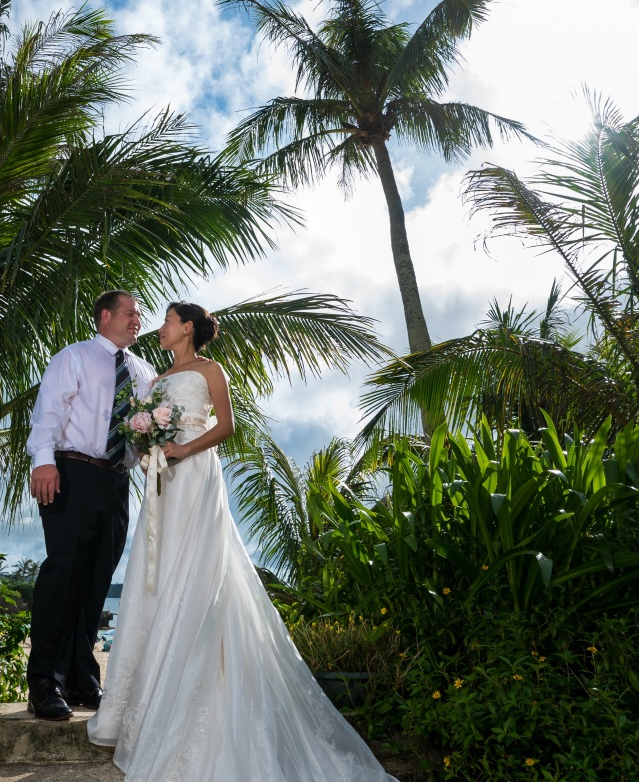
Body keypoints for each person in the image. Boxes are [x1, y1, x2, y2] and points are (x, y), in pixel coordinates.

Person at [87, 301, 397, 782]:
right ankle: (143, 700)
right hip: (162, 485)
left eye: (168, 321)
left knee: (196, 571)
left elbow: (226, 426)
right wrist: (150, 452)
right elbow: (145, 430)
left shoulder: (211, 370)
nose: (160, 328)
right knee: (157, 574)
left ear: (186, 328)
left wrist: (183, 449)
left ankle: (191, 685)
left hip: (195, 477)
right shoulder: (156, 377)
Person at [26, 289, 156, 720]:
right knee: (63, 573)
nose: (137, 320)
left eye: (139, 315)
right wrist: (44, 462)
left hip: (117, 483)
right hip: (72, 472)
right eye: (130, 313)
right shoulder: (75, 356)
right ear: (105, 316)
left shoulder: (143, 370)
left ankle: (83, 680)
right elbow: (49, 411)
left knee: (98, 578)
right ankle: (45, 682)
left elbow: (142, 431)